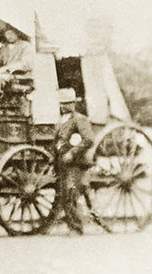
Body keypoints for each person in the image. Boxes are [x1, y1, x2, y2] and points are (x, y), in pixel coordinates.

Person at [55, 89, 95, 234]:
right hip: (64, 163)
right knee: (65, 195)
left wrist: (72, 153)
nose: (64, 106)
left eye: (66, 103)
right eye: (62, 104)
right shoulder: (61, 120)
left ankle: (77, 228)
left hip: (77, 162)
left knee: (71, 193)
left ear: (72, 104)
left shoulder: (80, 119)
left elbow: (89, 139)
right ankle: (73, 226)